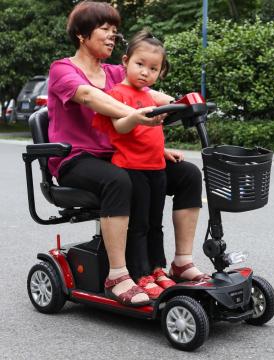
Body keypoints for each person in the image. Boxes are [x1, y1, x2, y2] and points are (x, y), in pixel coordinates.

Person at [48, 1, 208, 306]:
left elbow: (148, 94)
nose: (112, 36)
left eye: (115, 31)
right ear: (82, 33)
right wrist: (138, 113)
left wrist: (183, 107)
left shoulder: (113, 72)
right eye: (105, 29)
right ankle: (118, 275)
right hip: (74, 159)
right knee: (119, 180)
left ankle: (181, 262)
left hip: (120, 155)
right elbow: (89, 97)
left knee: (187, 174)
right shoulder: (62, 69)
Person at [92, 30, 175, 300]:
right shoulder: (119, 93)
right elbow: (120, 125)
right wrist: (136, 117)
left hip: (156, 169)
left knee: (155, 223)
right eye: (140, 64)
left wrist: (163, 150)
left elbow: (153, 133)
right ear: (126, 62)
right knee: (138, 224)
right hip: (132, 168)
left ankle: (157, 268)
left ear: (160, 72)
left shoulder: (152, 97)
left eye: (153, 68)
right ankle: (140, 273)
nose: (145, 72)